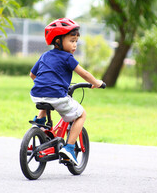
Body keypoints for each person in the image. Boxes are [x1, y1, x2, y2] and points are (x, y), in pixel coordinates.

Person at [29, 18, 103, 166]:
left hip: (36, 94)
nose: (75, 45)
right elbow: (85, 74)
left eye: (76, 41)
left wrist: (46, 82)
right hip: (57, 95)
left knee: (47, 97)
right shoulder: (68, 57)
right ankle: (69, 148)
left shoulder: (45, 55)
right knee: (81, 114)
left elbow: (32, 75)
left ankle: (39, 124)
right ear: (58, 41)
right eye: (71, 41)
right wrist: (96, 83)